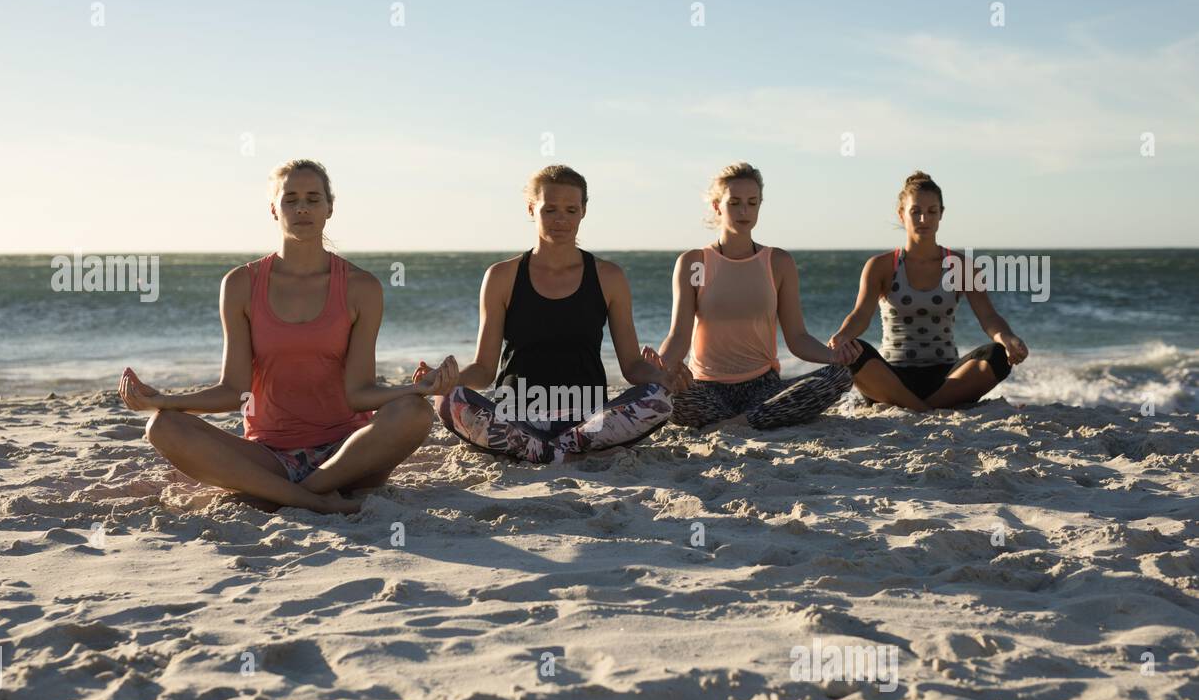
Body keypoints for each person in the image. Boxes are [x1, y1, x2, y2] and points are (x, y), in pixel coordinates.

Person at [118, 158, 458, 514]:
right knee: (162, 427)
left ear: (330, 208)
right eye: (290, 199)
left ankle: (295, 493)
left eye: (313, 199)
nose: (302, 208)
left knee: (415, 412)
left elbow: (359, 394)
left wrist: (417, 389)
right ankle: (312, 501)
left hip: (347, 456)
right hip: (268, 456)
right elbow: (235, 391)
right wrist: (163, 401)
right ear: (273, 209)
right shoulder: (240, 284)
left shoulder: (361, 287)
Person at [420, 164, 687, 463]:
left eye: (571, 210)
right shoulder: (501, 276)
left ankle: (542, 451)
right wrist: (442, 380)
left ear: (584, 211)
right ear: (532, 209)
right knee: (447, 400)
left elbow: (632, 365)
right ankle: (562, 450)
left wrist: (662, 376)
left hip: (587, 419)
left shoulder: (609, 276)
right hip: (517, 417)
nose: (561, 219)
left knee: (659, 399)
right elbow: (483, 370)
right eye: (550, 210)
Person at [652, 162, 852, 430]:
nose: (744, 211)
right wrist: (660, 370)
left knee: (840, 375)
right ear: (717, 206)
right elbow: (679, 336)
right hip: (708, 390)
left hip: (764, 387)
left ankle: (740, 422)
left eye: (752, 202)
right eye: (734, 202)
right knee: (667, 396)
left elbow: (797, 338)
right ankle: (756, 419)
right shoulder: (696, 263)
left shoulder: (777, 262)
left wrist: (834, 357)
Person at [828, 171, 1029, 411]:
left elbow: (988, 317)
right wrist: (841, 337)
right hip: (892, 378)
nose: (924, 218)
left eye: (932, 211)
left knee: (997, 355)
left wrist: (1007, 339)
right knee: (855, 351)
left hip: (946, 379)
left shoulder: (962, 266)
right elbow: (860, 315)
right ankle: (926, 409)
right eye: (916, 211)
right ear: (902, 214)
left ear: (941, 214)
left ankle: (916, 407)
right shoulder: (880, 266)